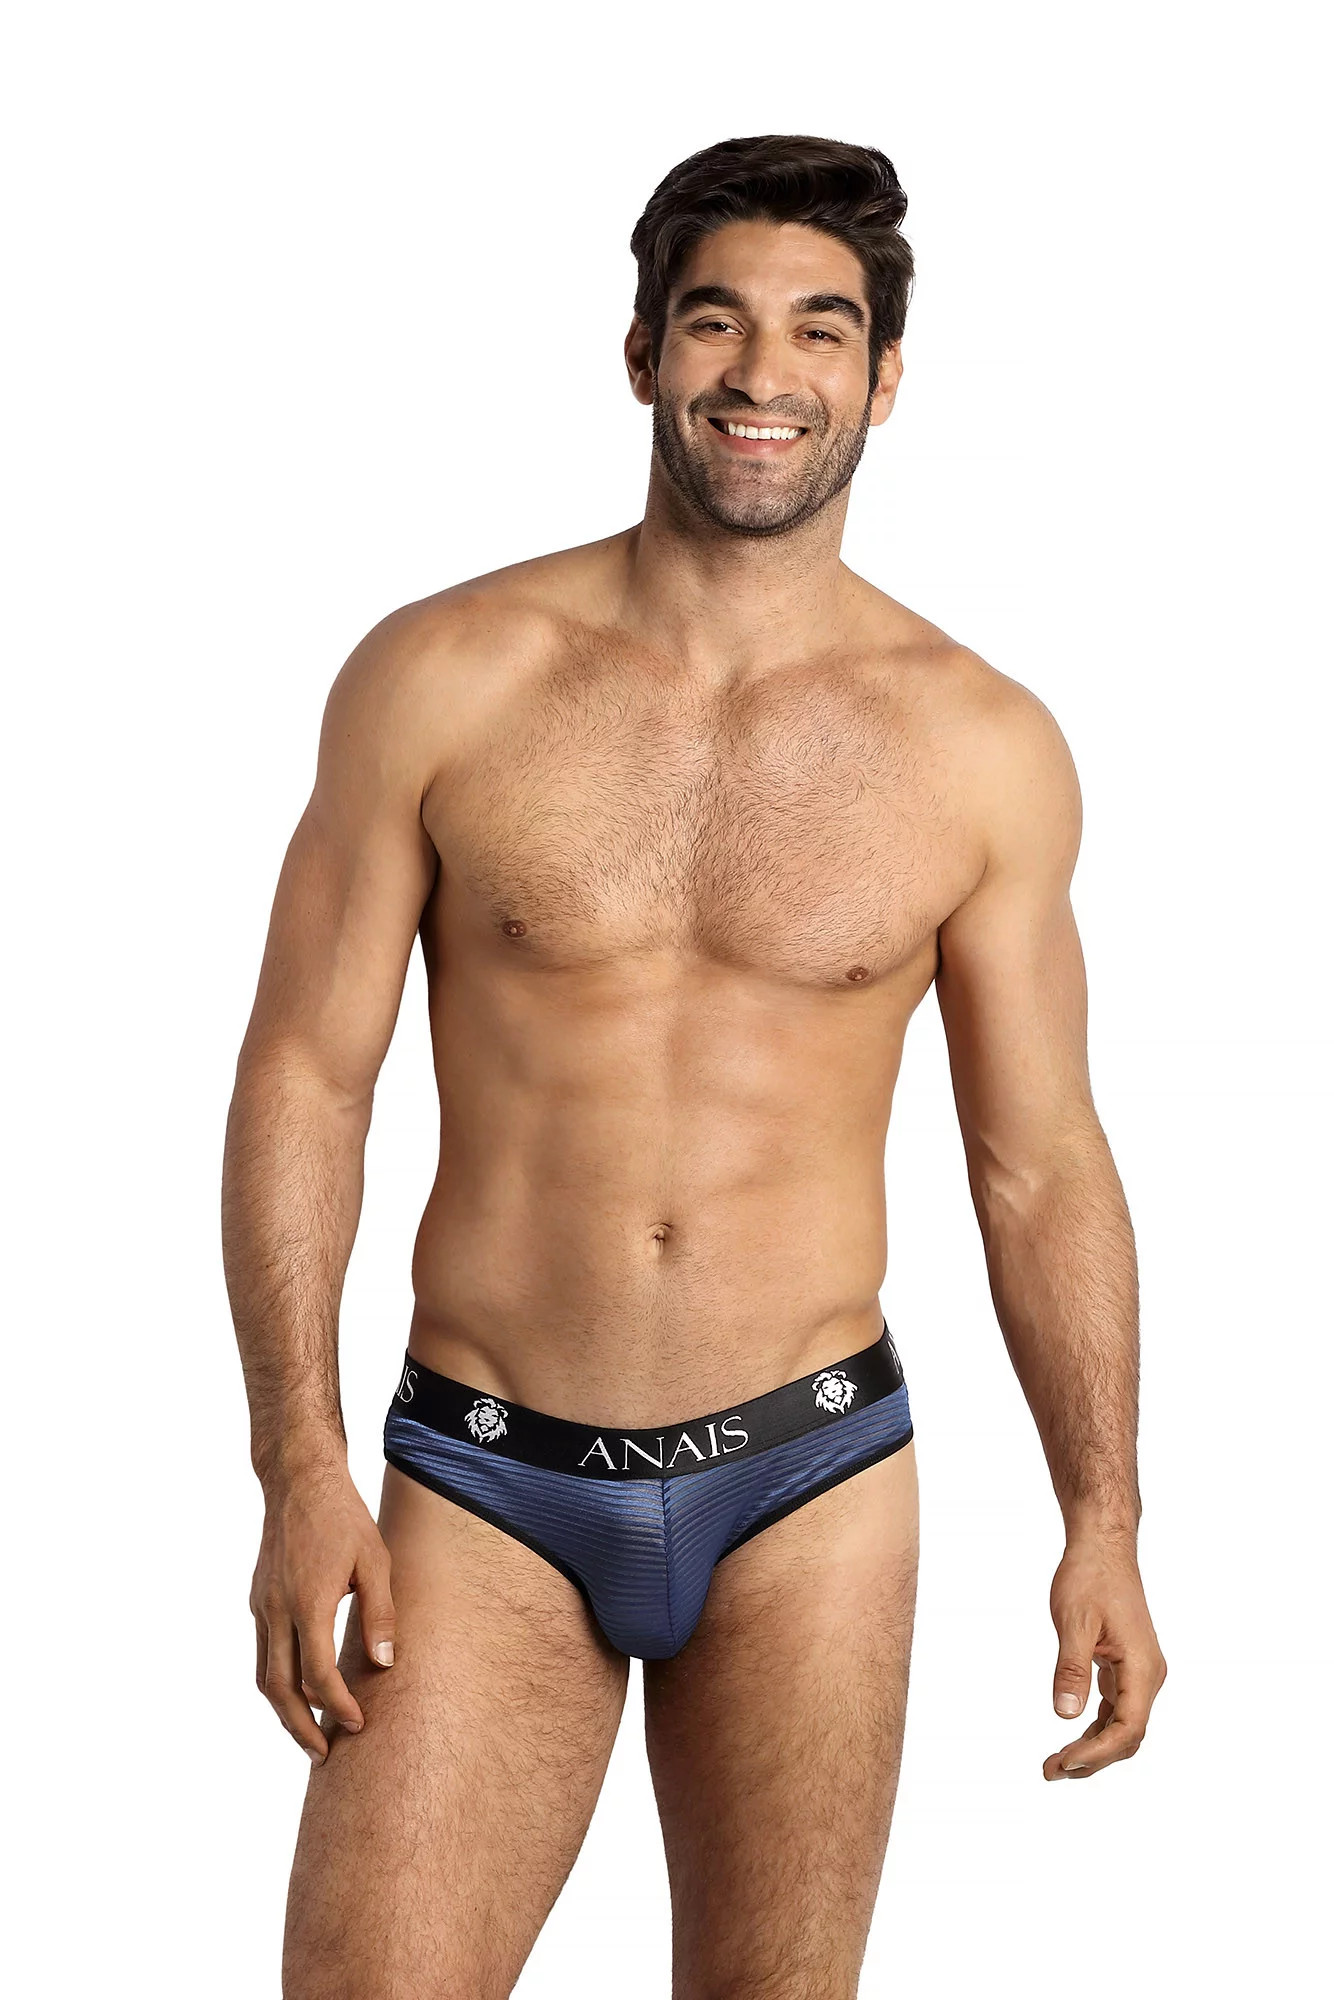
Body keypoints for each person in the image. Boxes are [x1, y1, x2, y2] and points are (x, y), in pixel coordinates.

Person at [222, 133, 1167, 1998]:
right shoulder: (444, 676)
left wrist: (1104, 1515)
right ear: (644, 350)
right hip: (485, 1470)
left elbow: (1038, 1161)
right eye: (718, 320)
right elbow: (305, 1076)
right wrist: (297, 1465)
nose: (763, 372)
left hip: (808, 1473)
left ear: (881, 382)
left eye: (820, 330)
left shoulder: (981, 747)